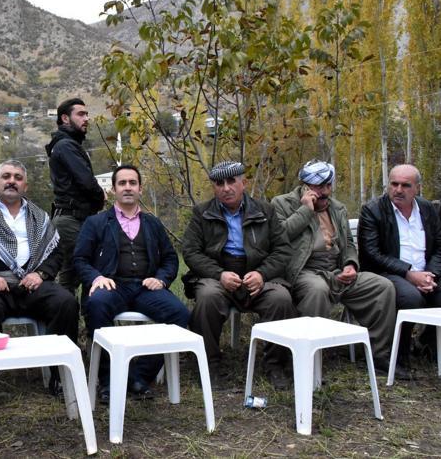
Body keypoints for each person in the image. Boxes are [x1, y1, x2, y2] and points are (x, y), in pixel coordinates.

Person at [0, 160, 79, 389]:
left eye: (18, 178)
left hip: (31, 284)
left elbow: (56, 252)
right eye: (6, 176)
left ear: (25, 186)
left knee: (66, 302)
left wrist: (41, 274)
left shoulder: (39, 217)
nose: (12, 181)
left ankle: (60, 375)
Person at [272, 160, 399, 375]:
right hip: (304, 270)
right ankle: (308, 362)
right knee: (316, 290)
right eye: (319, 187)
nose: (325, 192)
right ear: (305, 186)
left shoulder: (337, 207)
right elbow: (280, 237)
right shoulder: (282, 203)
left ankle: (379, 354)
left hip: (336, 270)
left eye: (328, 186)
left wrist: (350, 264)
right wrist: (305, 210)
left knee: (382, 287)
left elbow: (348, 244)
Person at [74, 165, 189, 401]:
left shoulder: (153, 223)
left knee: (179, 314)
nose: (128, 187)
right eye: (122, 183)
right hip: (112, 286)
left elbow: (170, 258)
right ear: (113, 189)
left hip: (145, 287)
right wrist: (97, 277)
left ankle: (138, 376)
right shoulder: (96, 222)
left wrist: (161, 279)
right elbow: (80, 259)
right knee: (96, 305)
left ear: (140, 189)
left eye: (132, 183)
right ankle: (108, 380)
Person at [182, 162, 297, 388]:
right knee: (207, 298)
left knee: (280, 299)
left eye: (231, 181)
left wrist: (262, 274)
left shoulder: (265, 211)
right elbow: (191, 251)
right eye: (219, 183)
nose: (226, 188)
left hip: (257, 274)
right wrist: (219, 274)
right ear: (214, 188)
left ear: (243, 183)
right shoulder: (202, 213)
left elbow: (283, 249)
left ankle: (275, 365)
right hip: (219, 275)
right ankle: (209, 365)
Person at [358, 164, 441, 368]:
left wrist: (431, 275)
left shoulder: (427, 209)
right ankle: (398, 353)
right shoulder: (373, 210)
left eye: (406, 185)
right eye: (394, 184)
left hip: (425, 271)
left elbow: (439, 245)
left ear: (417, 188)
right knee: (411, 298)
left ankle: (428, 343)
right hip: (388, 272)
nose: (398, 190)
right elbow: (371, 253)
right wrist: (408, 273)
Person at [45, 98, 105, 295]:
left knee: (75, 274)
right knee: (79, 273)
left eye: (87, 114)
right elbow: (86, 181)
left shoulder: (68, 144)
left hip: (75, 218)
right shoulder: (65, 146)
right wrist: (101, 197)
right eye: (80, 114)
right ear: (65, 118)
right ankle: (71, 313)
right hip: (71, 219)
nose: (86, 118)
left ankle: (78, 313)